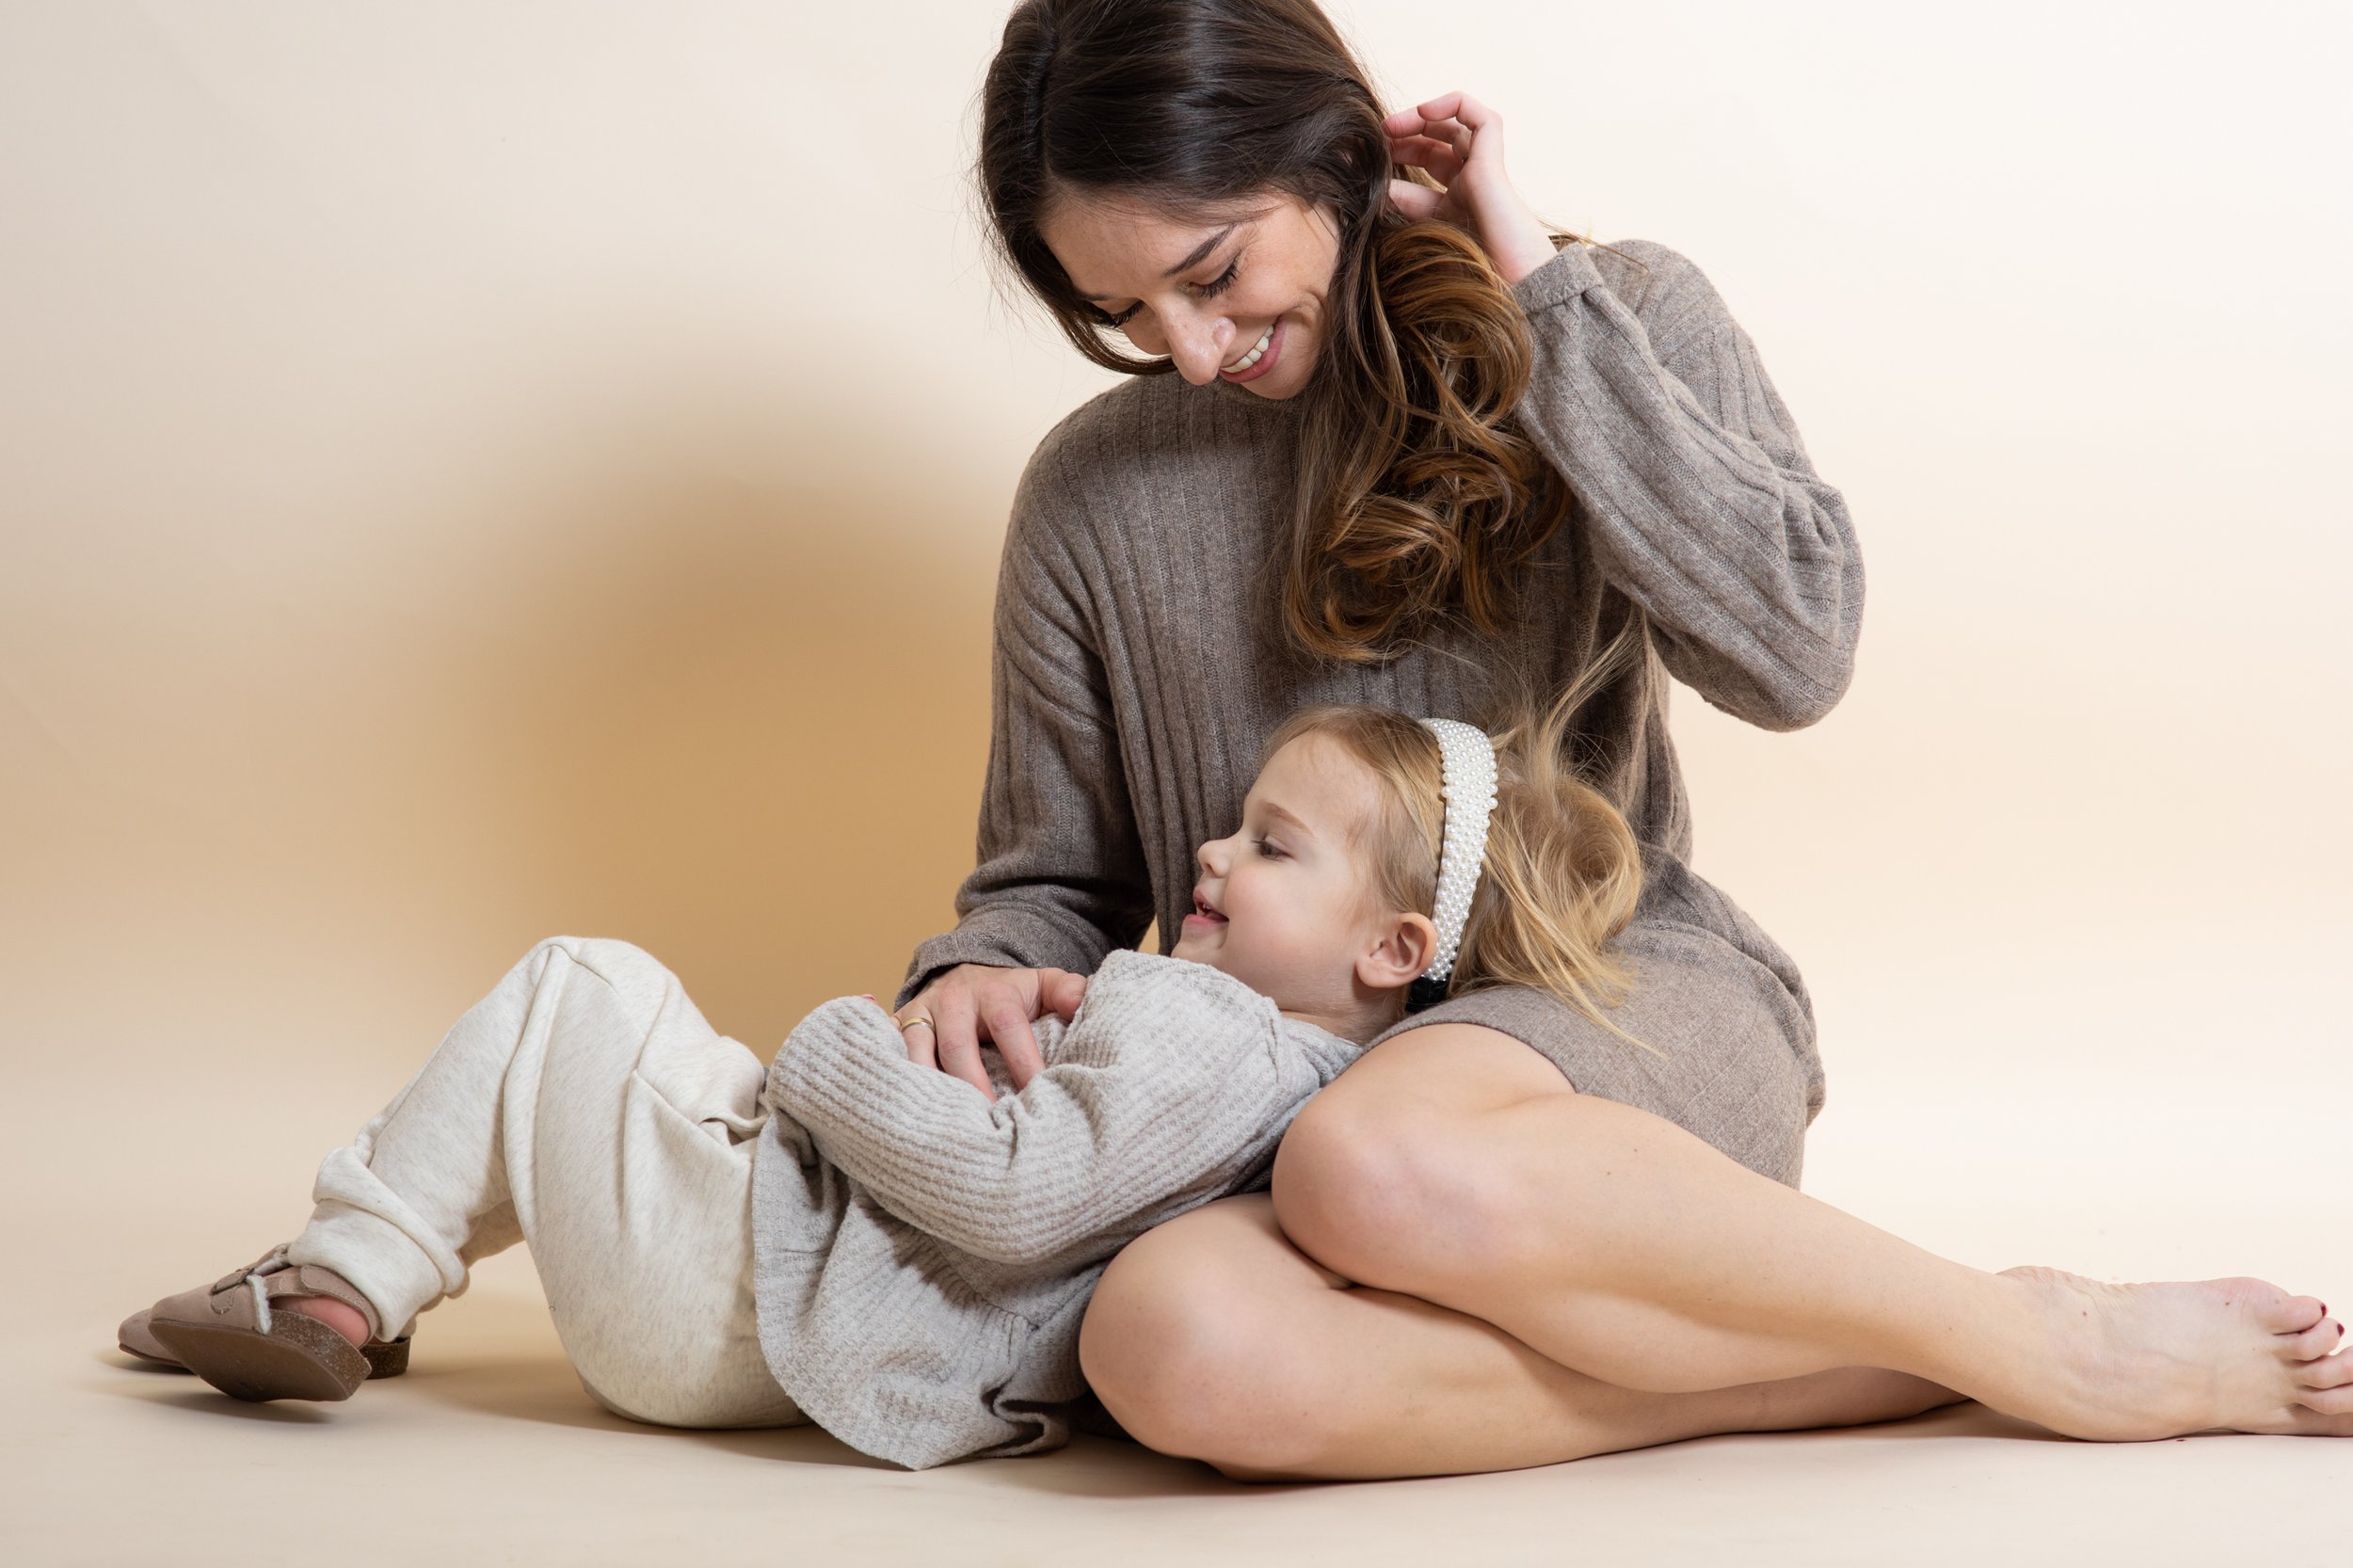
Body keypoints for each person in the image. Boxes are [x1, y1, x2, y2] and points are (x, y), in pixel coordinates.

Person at [893, 0, 2353, 1480]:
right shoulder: (1091, 496)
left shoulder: (1618, 320)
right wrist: (975, 975)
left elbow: (1793, 652)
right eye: (1128, 315)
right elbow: (1049, 884)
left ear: (1333, 151)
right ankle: (1834, 1368)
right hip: (1279, 1106)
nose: (1193, 351)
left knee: (1374, 1156)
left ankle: (2043, 1340)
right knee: (1161, 1339)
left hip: (1622, 1017)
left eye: (1214, 272)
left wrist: (1539, 300)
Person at [113, 657, 1665, 1469]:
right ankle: (368, 1266)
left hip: (741, 1299)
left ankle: (338, 1278)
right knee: (616, 1062)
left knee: (581, 985)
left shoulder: (1207, 1024)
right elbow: (1075, 1173)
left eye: (1271, 844)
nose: (1209, 849)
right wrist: (1057, 1033)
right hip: (815, 1342)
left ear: (1393, 948)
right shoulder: (1299, 1081)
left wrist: (831, 1043)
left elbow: (1015, 1191)